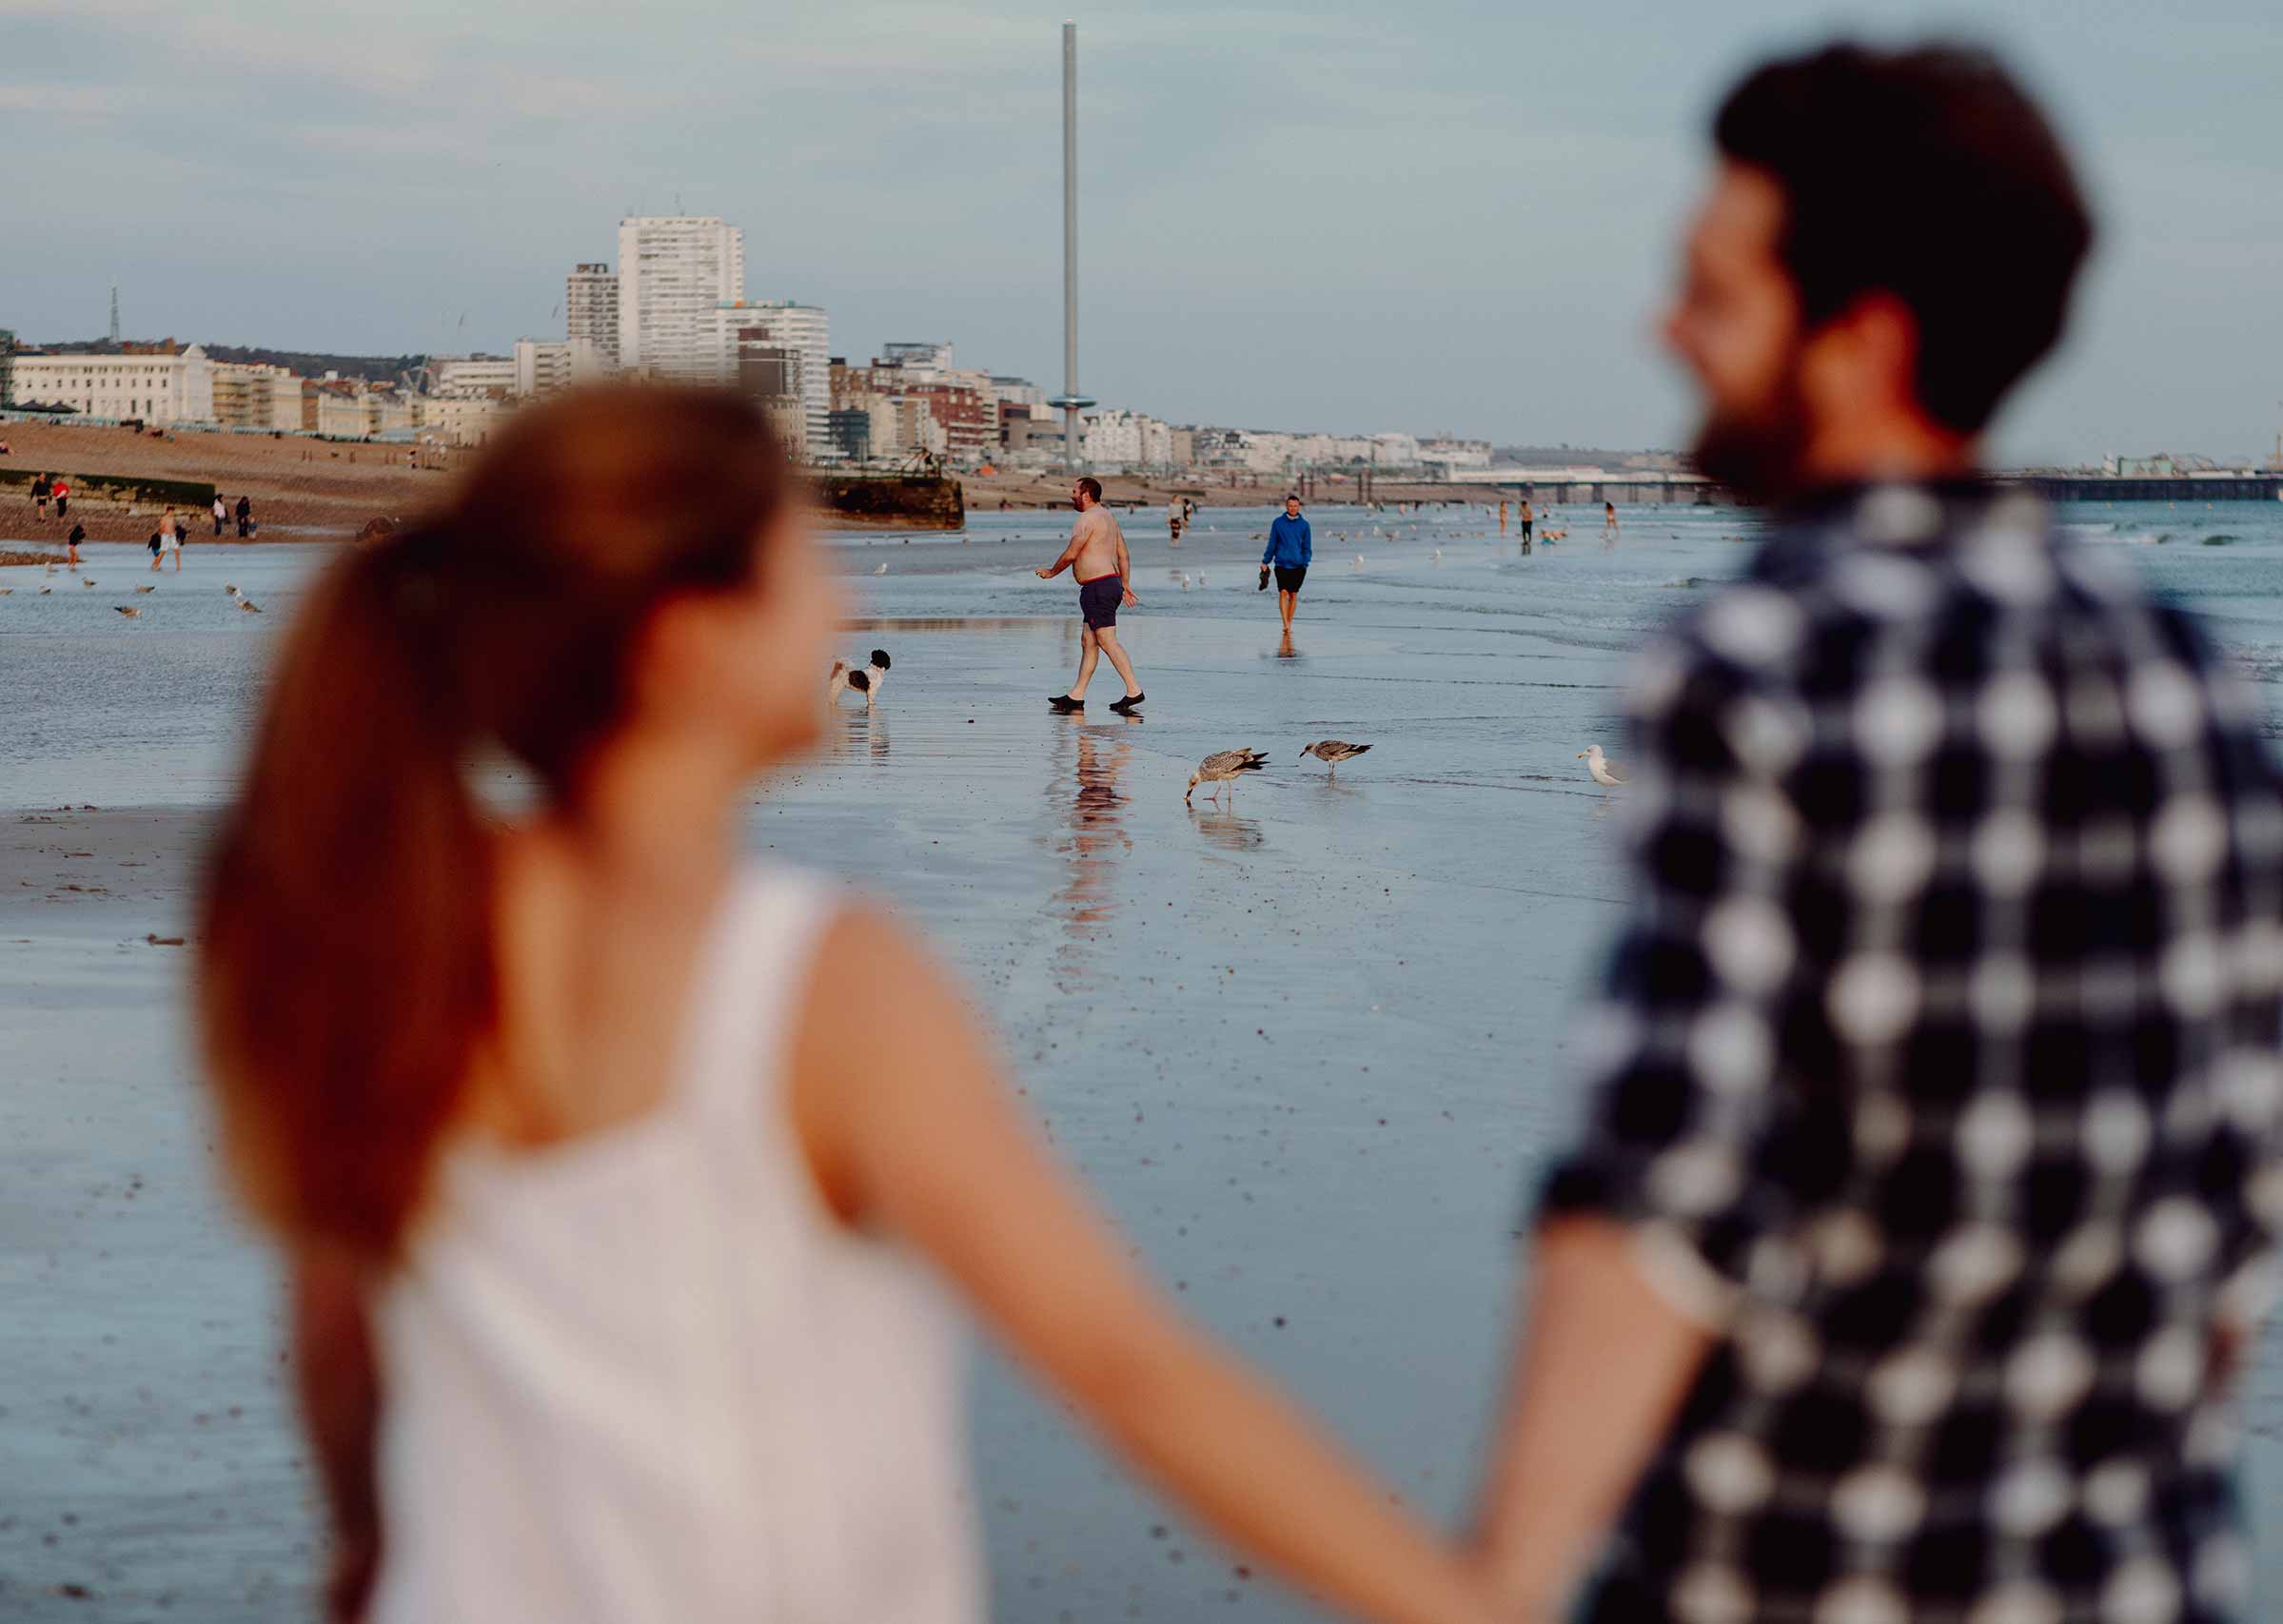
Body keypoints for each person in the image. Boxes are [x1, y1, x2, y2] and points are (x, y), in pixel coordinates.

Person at [195, 388, 1502, 1624]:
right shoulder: (818, 982)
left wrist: (370, 1544)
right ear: (685, 638)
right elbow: (1126, 1366)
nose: (848, 599)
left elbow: (341, 1355)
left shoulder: (395, 937)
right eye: (802, 566)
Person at [1466, 42, 2283, 1624]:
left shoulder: (1769, 662)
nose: (1668, 329)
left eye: (1714, 294)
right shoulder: (2197, 674)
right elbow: (2228, 1235)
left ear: (1860, 339)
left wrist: (1495, 1580)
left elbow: (1660, 1208)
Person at [1036, 474, 1145, 714]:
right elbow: (1123, 554)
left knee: (1106, 640)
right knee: (1089, 641)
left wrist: (1051, 572)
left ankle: (1134, 690)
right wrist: (1124, 585)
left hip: (1098, 587)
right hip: (1109, 584)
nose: (1071, 495)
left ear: (1086, 495)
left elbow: (1072, 552)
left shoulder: (1087, 519)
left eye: (1074, 492)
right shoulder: (1108, 517)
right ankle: (1076, 695)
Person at [1262, 494, 1314, 631]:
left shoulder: (1304, 525)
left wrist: (1305, 561)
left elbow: (1307, 547)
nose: (1293, 508)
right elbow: (1272, 543)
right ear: (1286, 506)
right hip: (1281, 563)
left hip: (1299, 565)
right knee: (1283, 592)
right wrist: (1265, 561)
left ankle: (1289, 623)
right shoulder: (1278, 523)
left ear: (1299, 507)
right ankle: (1285, 624)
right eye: (1290, 506)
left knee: (1293, 594)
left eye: (1295, 506)